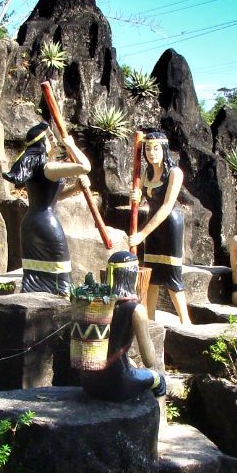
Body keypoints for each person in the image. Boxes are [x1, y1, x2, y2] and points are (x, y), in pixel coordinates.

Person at [3, 120, 91, 296]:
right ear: (42, 142)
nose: (55, 141)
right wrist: (72, 146)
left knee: (36, 275)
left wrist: (75, 189)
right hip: (46, 224)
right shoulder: (48, 167)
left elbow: (51, 197)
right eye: (51, 137)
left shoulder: (39, 166)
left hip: (31, 224)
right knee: (61, 275)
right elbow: (85, 167)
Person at [79, 251, 167, 408]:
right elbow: (149, 361)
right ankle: (160, 428)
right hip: (117, 385)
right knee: (159, 380)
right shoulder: (136, 309)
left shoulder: (96, 303)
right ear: (133, 276)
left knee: (130, 363)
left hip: (88, 383)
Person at [128, 129, 191, 325]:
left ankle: (185, 321)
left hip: (170, 224)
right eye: (147, 149)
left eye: (156, 148)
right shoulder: (146, 173)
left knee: (172, 275)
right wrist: (137, 196)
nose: (152, 153)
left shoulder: (174, 173)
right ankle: (150, 318)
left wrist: (141, 234)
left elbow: (165, 207)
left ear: (164, 149)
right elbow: (147, 200)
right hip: (152, 225)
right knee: (151, 274)